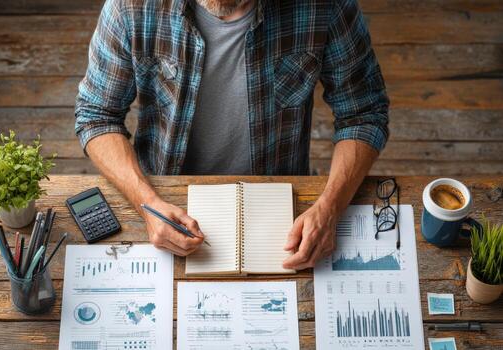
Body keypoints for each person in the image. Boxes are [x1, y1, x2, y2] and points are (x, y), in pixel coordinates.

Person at [75, 0, 389, 270]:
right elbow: (97, 116)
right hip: (164, 201)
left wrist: (331, 206)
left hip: (283, 209)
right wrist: (147, 202)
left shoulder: (325, 6)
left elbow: (364, 113)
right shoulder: (131, 6)